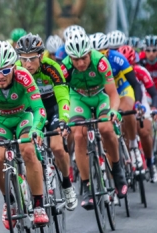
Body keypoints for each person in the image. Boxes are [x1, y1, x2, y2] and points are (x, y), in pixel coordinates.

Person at [0, 40, 49, 229]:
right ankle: (9, 201)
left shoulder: (24, 77)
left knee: (28, 150)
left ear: (14, 67)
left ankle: (38, 204)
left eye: (5, 70)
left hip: (23, 117)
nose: (0, 76)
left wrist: (37, 128)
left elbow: (39, 109)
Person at [62, 30, 127, 209]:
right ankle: (87, 186)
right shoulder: (65, 67)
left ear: (90, 53)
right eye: (76, 59)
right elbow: (61, 95)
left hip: (100, 96)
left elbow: (113, 94)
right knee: (78, 135)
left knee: (106, 128)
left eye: (84, 57)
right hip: (78, 98)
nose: (81, 63)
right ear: (70, 58)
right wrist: (63, 118)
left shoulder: (100, 62)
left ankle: (117, 170)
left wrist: (113, 111)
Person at [15, 33, 78, 210]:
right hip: (31, 110)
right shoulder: (16, 70)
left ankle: (66, 184)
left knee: (57, 147)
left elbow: (63, 97)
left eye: (32, 59)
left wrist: (64, 120)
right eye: (23, 59)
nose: (27, 64)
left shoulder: (52, 68)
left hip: (52, 108)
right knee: (28, 149)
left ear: (41, 56)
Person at [89, 32, 143, 168]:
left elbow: (135, 83)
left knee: (127, 111)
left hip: (122, 90)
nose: (98, 56)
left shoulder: (118, 58)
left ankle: (133, 145)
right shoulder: (88, 63)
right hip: (104, 95)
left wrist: (138, 102)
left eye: (102, 52)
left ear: (108, 51)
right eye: (95, 53)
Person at [118, 45, 157, 182]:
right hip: (123, 102)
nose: (129, 68)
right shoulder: (116, 72)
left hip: (141, 102)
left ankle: (150, 164)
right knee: (124, 133)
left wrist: (153, 107)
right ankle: (128, 164)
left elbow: (153, 93)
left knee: (145, 131)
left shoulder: (140, 71)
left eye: (131, 64)